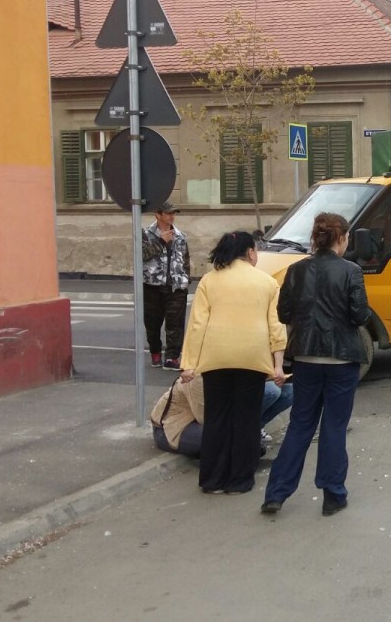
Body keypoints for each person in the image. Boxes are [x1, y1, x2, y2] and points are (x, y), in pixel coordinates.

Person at [262, 213, 369, 517]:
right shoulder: (351, 271)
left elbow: (283, 314)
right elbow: (360, 316)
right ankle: (332, 495)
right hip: (341, 358)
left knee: (300, 425)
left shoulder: (295, 271)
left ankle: (276, 494)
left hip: (306, 357)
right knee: (334, 425)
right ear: (342, 238)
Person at [180, 231, 287, 495]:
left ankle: (212, 480)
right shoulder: (267, 282)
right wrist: (278, 365)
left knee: (217, 418)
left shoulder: (209, 281)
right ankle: (240, 480)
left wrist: (189, 364)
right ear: (250, 252)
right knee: (246, 419)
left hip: (216, 358)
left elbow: (196, 325)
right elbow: (276, 327)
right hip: (252, 357)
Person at [150, 376, 294, 457]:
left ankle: (245, 436)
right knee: (227, 439)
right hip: (171, 428)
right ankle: (241, 441)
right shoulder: (197, 377)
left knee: (287, 391)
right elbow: (206, 418)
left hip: (209, 419)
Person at [142, 201, 191, 370]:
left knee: (175, 324)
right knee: (152, 323)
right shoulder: (146, 234)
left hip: (176, 286)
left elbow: (185, 259)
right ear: (158, 214)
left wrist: (185, 279)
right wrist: (161, 242)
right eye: (168, 213)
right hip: (152, 285)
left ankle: (172, 357)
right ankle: (155, 352)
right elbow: (141, 255)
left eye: (174, 214)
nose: (172, 217)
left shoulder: (180, 235)